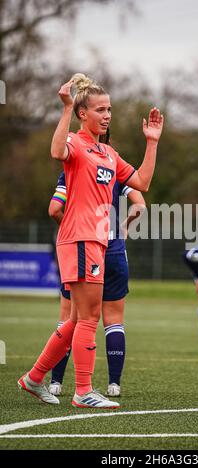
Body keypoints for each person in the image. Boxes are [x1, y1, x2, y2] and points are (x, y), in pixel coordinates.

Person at [18, 73, 163, 408]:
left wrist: (152, 141)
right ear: (84, 114)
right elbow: (56, 151)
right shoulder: (75, 142)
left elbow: (141, 182)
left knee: (75, 320)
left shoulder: (108, 153)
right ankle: (83, 391)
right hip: (80, 240)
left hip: (93, 242)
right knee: (88, 318)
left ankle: (35, 378)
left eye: (109, 109)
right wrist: (66, 106)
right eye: (100, 109)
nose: (107, 114)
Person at [48, 171, 146, 398]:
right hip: (112, 249)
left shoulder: (71, 171)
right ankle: (114, 384)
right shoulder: (116, 169)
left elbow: (54, 209)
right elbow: (139, 205)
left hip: (81, 248)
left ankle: (56, 382)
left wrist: (69, 230)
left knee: (69, 318)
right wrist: (123, 228)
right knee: (113, 319)